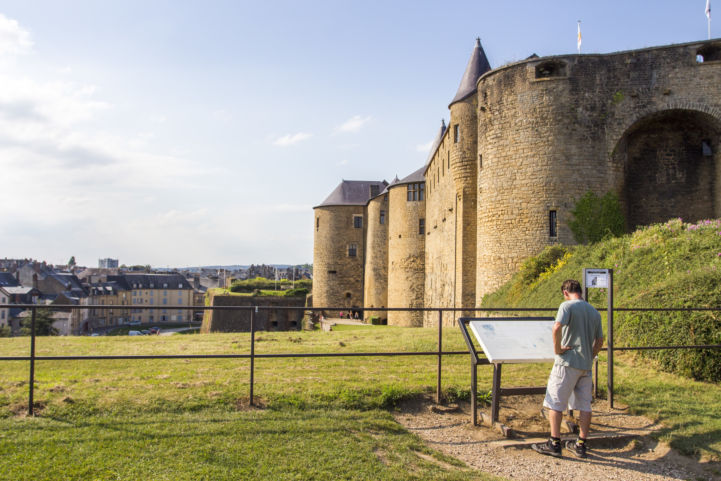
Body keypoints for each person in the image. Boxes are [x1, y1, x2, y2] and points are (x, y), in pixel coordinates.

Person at [532, 279, 604, 459]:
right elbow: (600, 340)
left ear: (565, 292)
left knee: (555, 402)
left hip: (567, 362)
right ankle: (581, 445)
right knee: (585, 405)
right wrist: (590, 354)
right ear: (580, 291)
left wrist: (557, 349)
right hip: (586, 366)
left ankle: (554, 443)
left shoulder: (566, 306)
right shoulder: (594, 312)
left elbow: (557, 327)